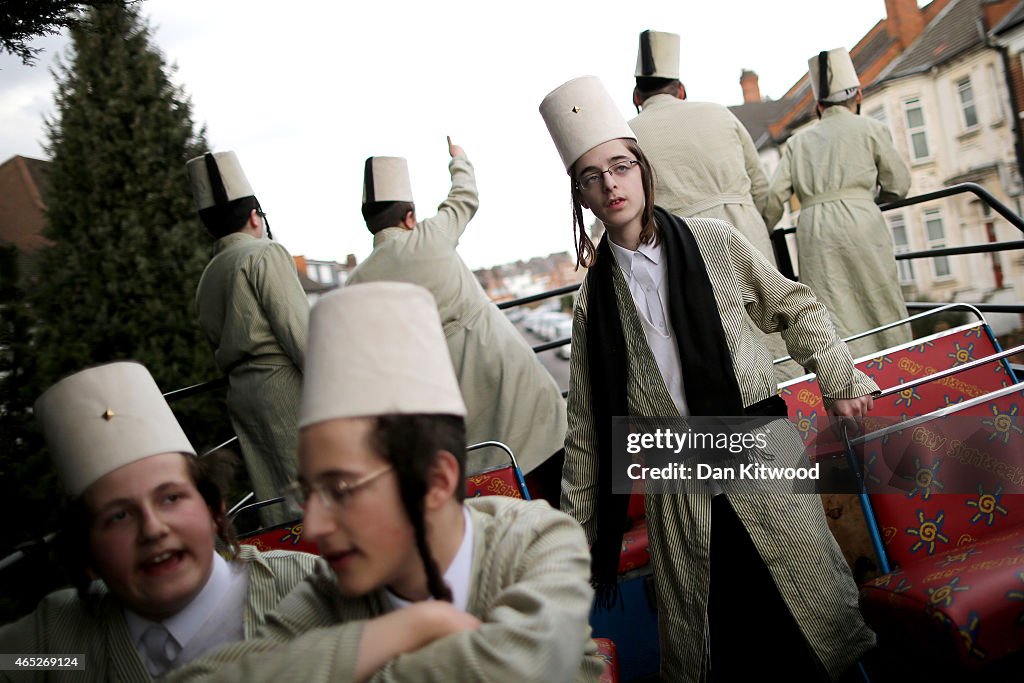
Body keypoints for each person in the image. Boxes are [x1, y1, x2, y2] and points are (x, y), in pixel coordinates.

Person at [540, 75, 878, 681]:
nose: (610, 184)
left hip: (755, 446)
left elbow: (793, 307)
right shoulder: (593, 304)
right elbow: (588, 430)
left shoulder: (715, 242)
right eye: (592, 176)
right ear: (582, 196)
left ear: (642, 169)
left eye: (619, 166)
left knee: (809, 612)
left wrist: (838, 375)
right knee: (725, 629)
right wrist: (575, 538)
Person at [168, 282, 603, 682]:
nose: (314, 527)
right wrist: (405, 629)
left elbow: (519, 666)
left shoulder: (538, 540)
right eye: (307, 493)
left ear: (435, 481)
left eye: (340, 490)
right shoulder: (328, 590)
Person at [0, 362, 320, 681]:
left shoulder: (319, 594)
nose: (153, 529)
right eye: (118, 516)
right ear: (87, 555)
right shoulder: (59, 649)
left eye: (170, 498)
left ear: (215, 512)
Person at [346, 139, 567, 503]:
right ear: (409, 217)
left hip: (445, 399)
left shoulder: (357, 283)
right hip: (504, 370)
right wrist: (458, 160)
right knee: (552, 457)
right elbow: (465, 195)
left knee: (491, 485)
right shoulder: (430, 236)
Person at [628, 29, 796, 377]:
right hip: (746, 237)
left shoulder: (628, 135)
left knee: (716, 359)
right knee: (773, 342)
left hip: (680, 253)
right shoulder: (720, 114)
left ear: (636, 97)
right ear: (682, 90)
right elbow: (764, 195)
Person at [763, 47, 912, 358]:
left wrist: (760, 229)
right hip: (862, 220)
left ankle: (847, 381)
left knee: (831, 308)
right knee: (880, 298)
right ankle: (900, 369)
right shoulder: (872, 129)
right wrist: (869, 198)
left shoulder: (797, 142)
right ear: (857, 95)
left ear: (818, 106)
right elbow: (898, 185)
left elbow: (775, 198)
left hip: (815, 229)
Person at [189, 151, 309, 527]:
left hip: (242, 394)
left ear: (211, 229)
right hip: (286, 388)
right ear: (255, 216)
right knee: (315, 486)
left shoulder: (208, 275)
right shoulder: (265, 253)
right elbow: (301, 335)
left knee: (274, 497)